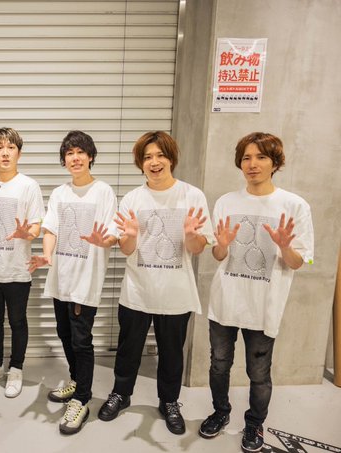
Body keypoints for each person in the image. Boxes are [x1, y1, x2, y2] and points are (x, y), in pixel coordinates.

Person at [198, 133, 313, 453]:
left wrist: (285, 247)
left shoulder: (294, 205)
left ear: (275, 163)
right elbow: (218, 255)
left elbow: (301, 261)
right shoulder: (226, 202)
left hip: (264, 304)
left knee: (258, 373)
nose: (253, 164)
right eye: (247, 157)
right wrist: (221, 245)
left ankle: (254, 423)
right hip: (226, 300)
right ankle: (220, 413)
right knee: (219, 365)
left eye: (261, 157)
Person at [98, 131, 213, 435]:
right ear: (141, 163)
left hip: (176, 293)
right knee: (128, 349)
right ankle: (121, 393)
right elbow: (126, 248)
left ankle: (170, 401)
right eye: (147, 157)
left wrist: (191, 234)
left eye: (160, 155)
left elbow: (198, 247)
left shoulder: (192, 196)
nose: (154, 162)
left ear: (171, 158)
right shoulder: (132, 199)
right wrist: (131, 235)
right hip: (137, 290)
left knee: (172, 353)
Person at [28, 130, 118, 435]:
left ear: (90, 157)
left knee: (81, 340)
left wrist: (104, 241)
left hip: (85, 279)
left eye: (80, 152)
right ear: (64, 160)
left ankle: (82, 398)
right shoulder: (59, 193)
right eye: (69, 153)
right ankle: (77, 381)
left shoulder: (103, 191)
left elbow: (112, 234)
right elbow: (50, 229)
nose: (75, 158)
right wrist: (47, 255)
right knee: (65, 334)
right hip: (61, 277)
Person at [0, 127, 45, 398]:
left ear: (19, 153)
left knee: (17, 321)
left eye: (11, 147)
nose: (5, 153)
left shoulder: (29, 185)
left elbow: (36, 225)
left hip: (17, 269)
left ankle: (16, 368)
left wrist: (26, 233)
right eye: (0, 147)